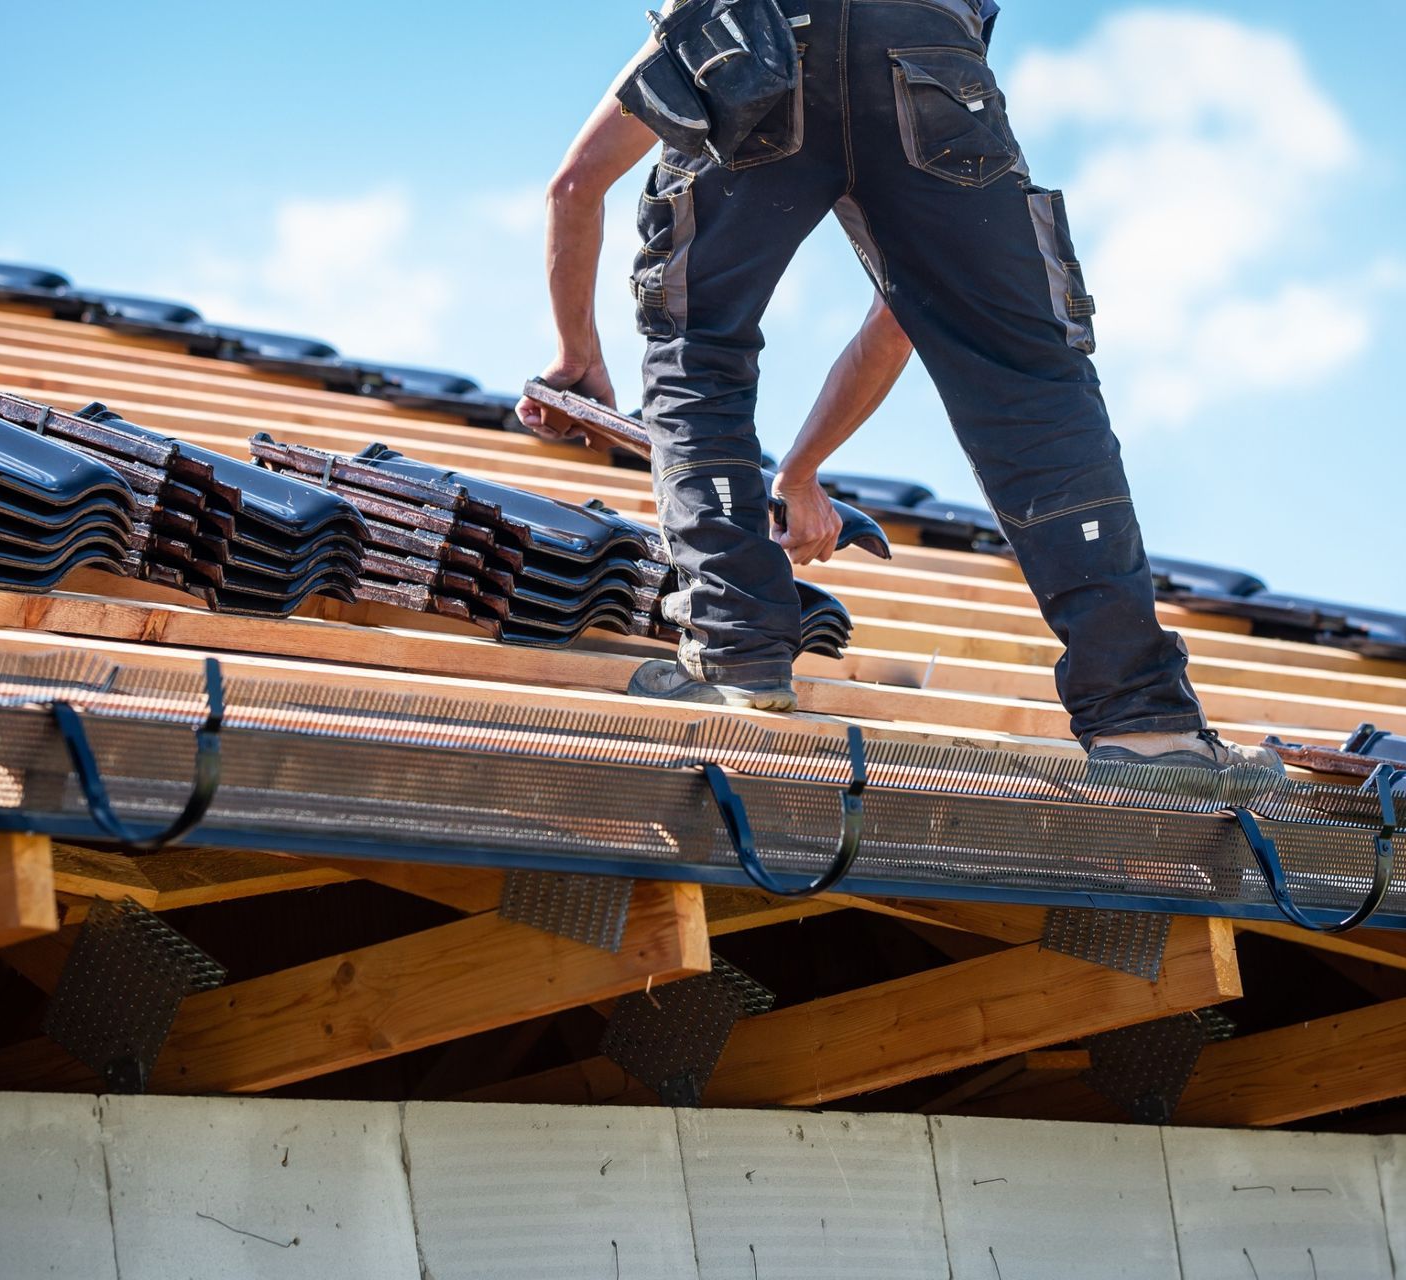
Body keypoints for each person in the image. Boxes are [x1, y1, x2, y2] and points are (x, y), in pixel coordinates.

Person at [520, 0, 1281, 779]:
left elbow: (575, 185)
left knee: (697, 342)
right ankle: (1146, 724)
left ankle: (736, 656)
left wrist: (576, 353)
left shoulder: (711, 34)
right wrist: (801, 470)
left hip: (754, 30)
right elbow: (904, 311)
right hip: (928, 38)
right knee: (1029, 384)